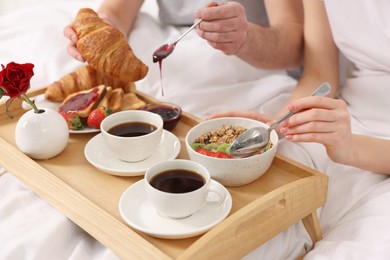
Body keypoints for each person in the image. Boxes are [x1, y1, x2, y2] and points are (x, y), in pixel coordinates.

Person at [211, 0, 390, 258]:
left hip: (361, 147)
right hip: (343, 125)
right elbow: (320, 76)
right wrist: (275, 126)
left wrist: (351, 147)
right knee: (236, 225)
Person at [64, 0, 304, 118]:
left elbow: (295, 48)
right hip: (170, 36)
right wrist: (103, 30)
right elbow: (118, 11)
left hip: (252, 55)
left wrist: (244, 38)